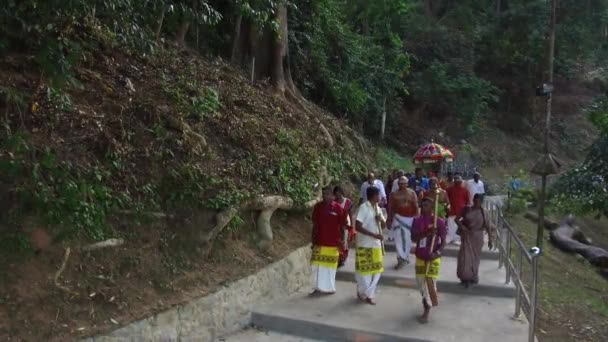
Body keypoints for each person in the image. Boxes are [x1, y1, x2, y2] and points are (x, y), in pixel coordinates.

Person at [411, 198, 447, 324]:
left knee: (429, 283)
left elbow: (443, 242)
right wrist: (427, 232)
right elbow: (414, 238)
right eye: (422, 205)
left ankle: (427, 310)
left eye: (426, 205)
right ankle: (426, 302)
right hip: (420, 256)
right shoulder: (416, 220)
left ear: (432, 207)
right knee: (421, 285)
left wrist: (437, 253)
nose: (424, 207)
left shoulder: (439, 222)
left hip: (433, 258)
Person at [310, 187, 348, 295]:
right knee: (316, 267)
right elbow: (315, 225)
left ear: (333, 196)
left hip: (333, 244)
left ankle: (329, 289)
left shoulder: (339, 209)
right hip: (319, 242)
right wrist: (313, 240)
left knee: (329, 268)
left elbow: (343, 227)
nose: (325, 196)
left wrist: (342, 242)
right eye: (323, 194)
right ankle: (317, 288)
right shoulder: (318, 207)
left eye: (327, 194)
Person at [355, 186, 386, 305]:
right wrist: (374, 235)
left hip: (376, 245)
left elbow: (383, 227)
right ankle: (365, 293)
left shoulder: (378, 209)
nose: (380, 197)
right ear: (374, 196)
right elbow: (357, 226)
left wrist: (381, 220)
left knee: (376, 270)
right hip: (364, 244)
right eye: (378, 195)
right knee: (365, 272)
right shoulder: (364, 207)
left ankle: (368, 293)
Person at [456, 194, 495, 288]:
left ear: (482, 202)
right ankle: (465, 277)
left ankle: (473, 276)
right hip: (467, 235)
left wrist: (490, 239)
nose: (477, 203)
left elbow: (488, 226)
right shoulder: (466, 209)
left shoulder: (484, 212)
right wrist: (462, 226)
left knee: (475, 258)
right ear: (473, 200)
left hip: (478, 237)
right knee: (465, 257)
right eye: (475, 201)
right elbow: (456, 219)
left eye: (479, 201)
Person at [387, 176, 419, 269]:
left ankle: (406, 257)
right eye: (400, 183)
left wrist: (417, 220)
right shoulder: (394, 194)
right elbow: (390, 208)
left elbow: (416, 206)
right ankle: (401, 258)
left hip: (410, 219)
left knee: (408, 240)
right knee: (398, 239)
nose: (402, 185)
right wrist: (389, 219)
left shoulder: (412, 193)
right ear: (398, 184)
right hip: (398, 218)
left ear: (407, 183)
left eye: (404, 183)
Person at [445, 176, 470, 245]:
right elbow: (446, 199)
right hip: (451, 211)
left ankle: (456, 239)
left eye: (459, 181)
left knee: (458, 226)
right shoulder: (449, 190)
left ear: (461, 182)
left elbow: (468, 201)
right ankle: (450, 238)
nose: (458, 183)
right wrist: (447, 207)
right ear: (454, 182)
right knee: (451, 225)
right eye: (456, 181)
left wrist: (467, 210)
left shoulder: (465, 190)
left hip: (461, 212)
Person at [334, 186, 354, 268]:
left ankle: (342, 258)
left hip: (346, 224)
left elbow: (350, 213)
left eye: (338, 193)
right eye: (335, 194)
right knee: (338, 241)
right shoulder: (334, 202)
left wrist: (352, 225)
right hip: (337, 224)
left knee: (344, 241)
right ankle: (339, 258)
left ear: (341, 192)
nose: (337, 195)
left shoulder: (347, 202)